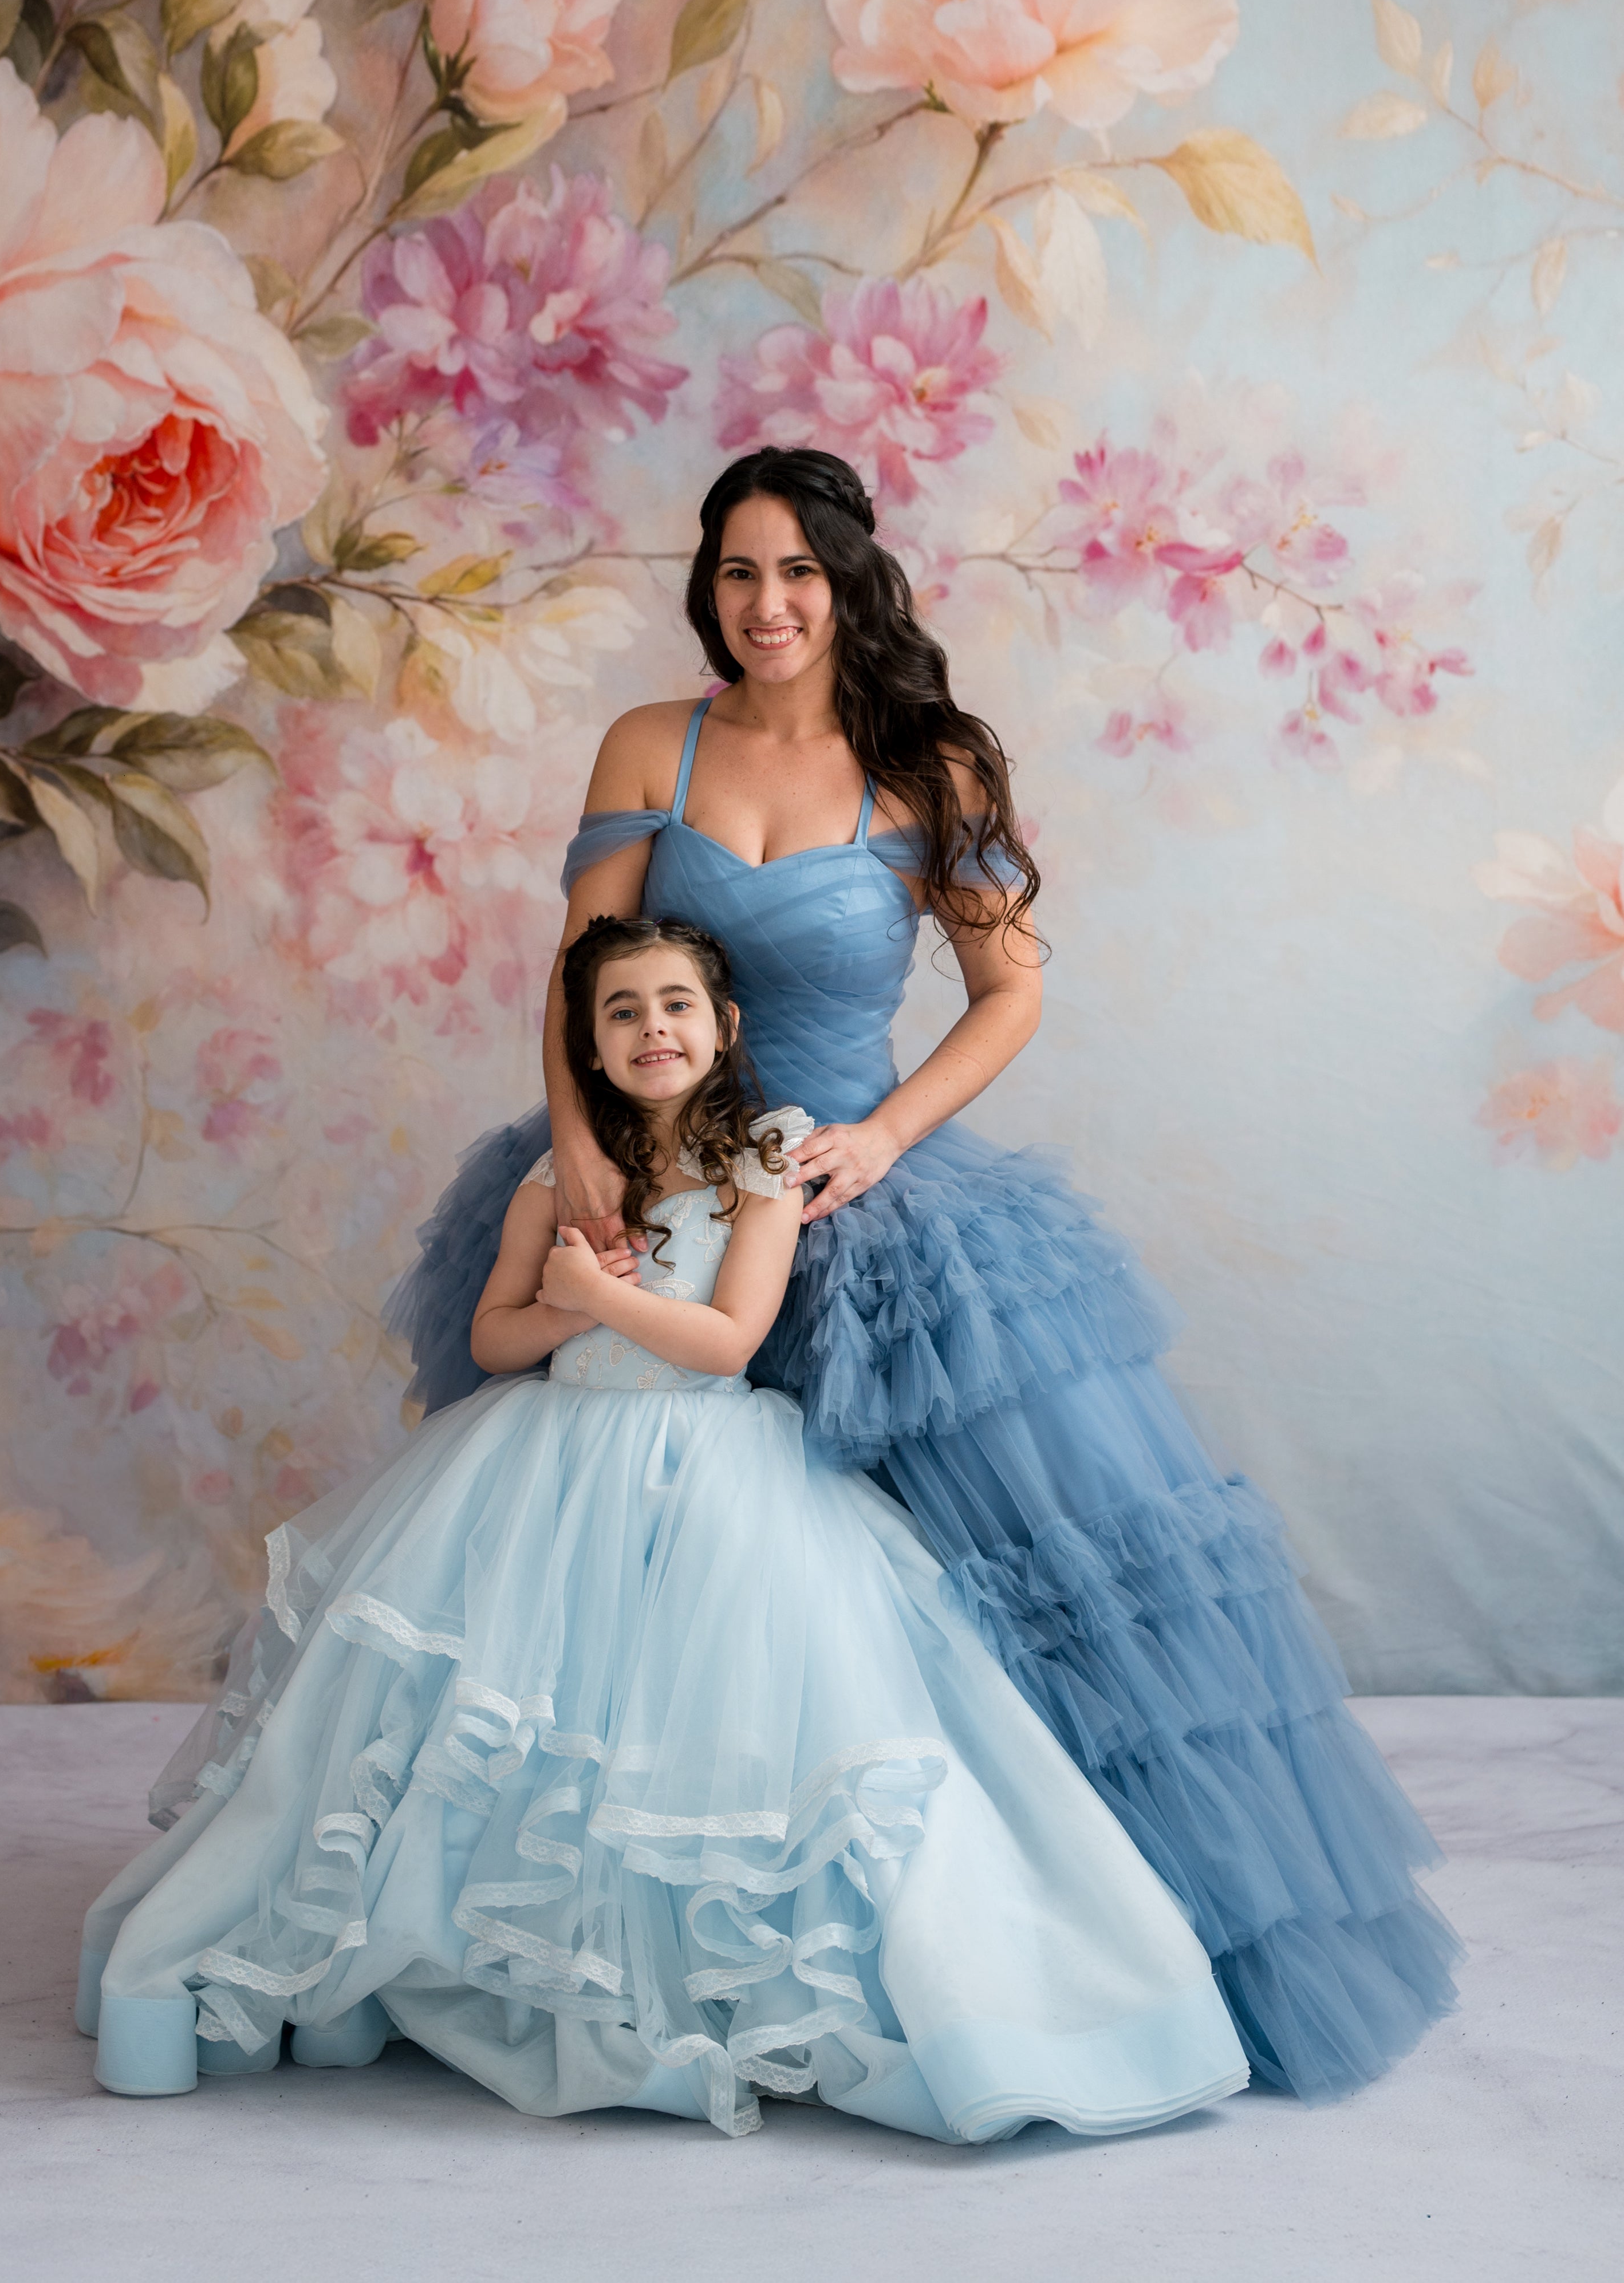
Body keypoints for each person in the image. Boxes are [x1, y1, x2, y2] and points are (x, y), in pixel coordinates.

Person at [388, 445, 1461, 2105]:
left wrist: (882, 1136)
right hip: (662, 1177)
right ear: (707, 587)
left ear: (848, 579)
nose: (765, 605)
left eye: (795, 572)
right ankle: (660, 1941)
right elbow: (580, 969)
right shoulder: (646, 744)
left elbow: (1006, 992)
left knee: (965, 1587)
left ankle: (1013, 1950)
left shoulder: (927, 762)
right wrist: (581, 1148)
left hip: (848, 1192)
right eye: (737, 572)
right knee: (640, 1566)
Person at [77, 913, 1251, 2142]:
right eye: (623, 1012)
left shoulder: (763, 1163)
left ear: (725, 1025)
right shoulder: (559, 1178)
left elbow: (732, 1342)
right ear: (585, 1046)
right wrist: (559, 1306)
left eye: (677, 1005)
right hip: (549, 1462)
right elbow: (491, 1340)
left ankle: (724, 1979)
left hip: (717, 1466)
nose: (654, 1029)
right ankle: (461, 1947)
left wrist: (597, 1300)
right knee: (517, 1711)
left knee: (711, 1723)